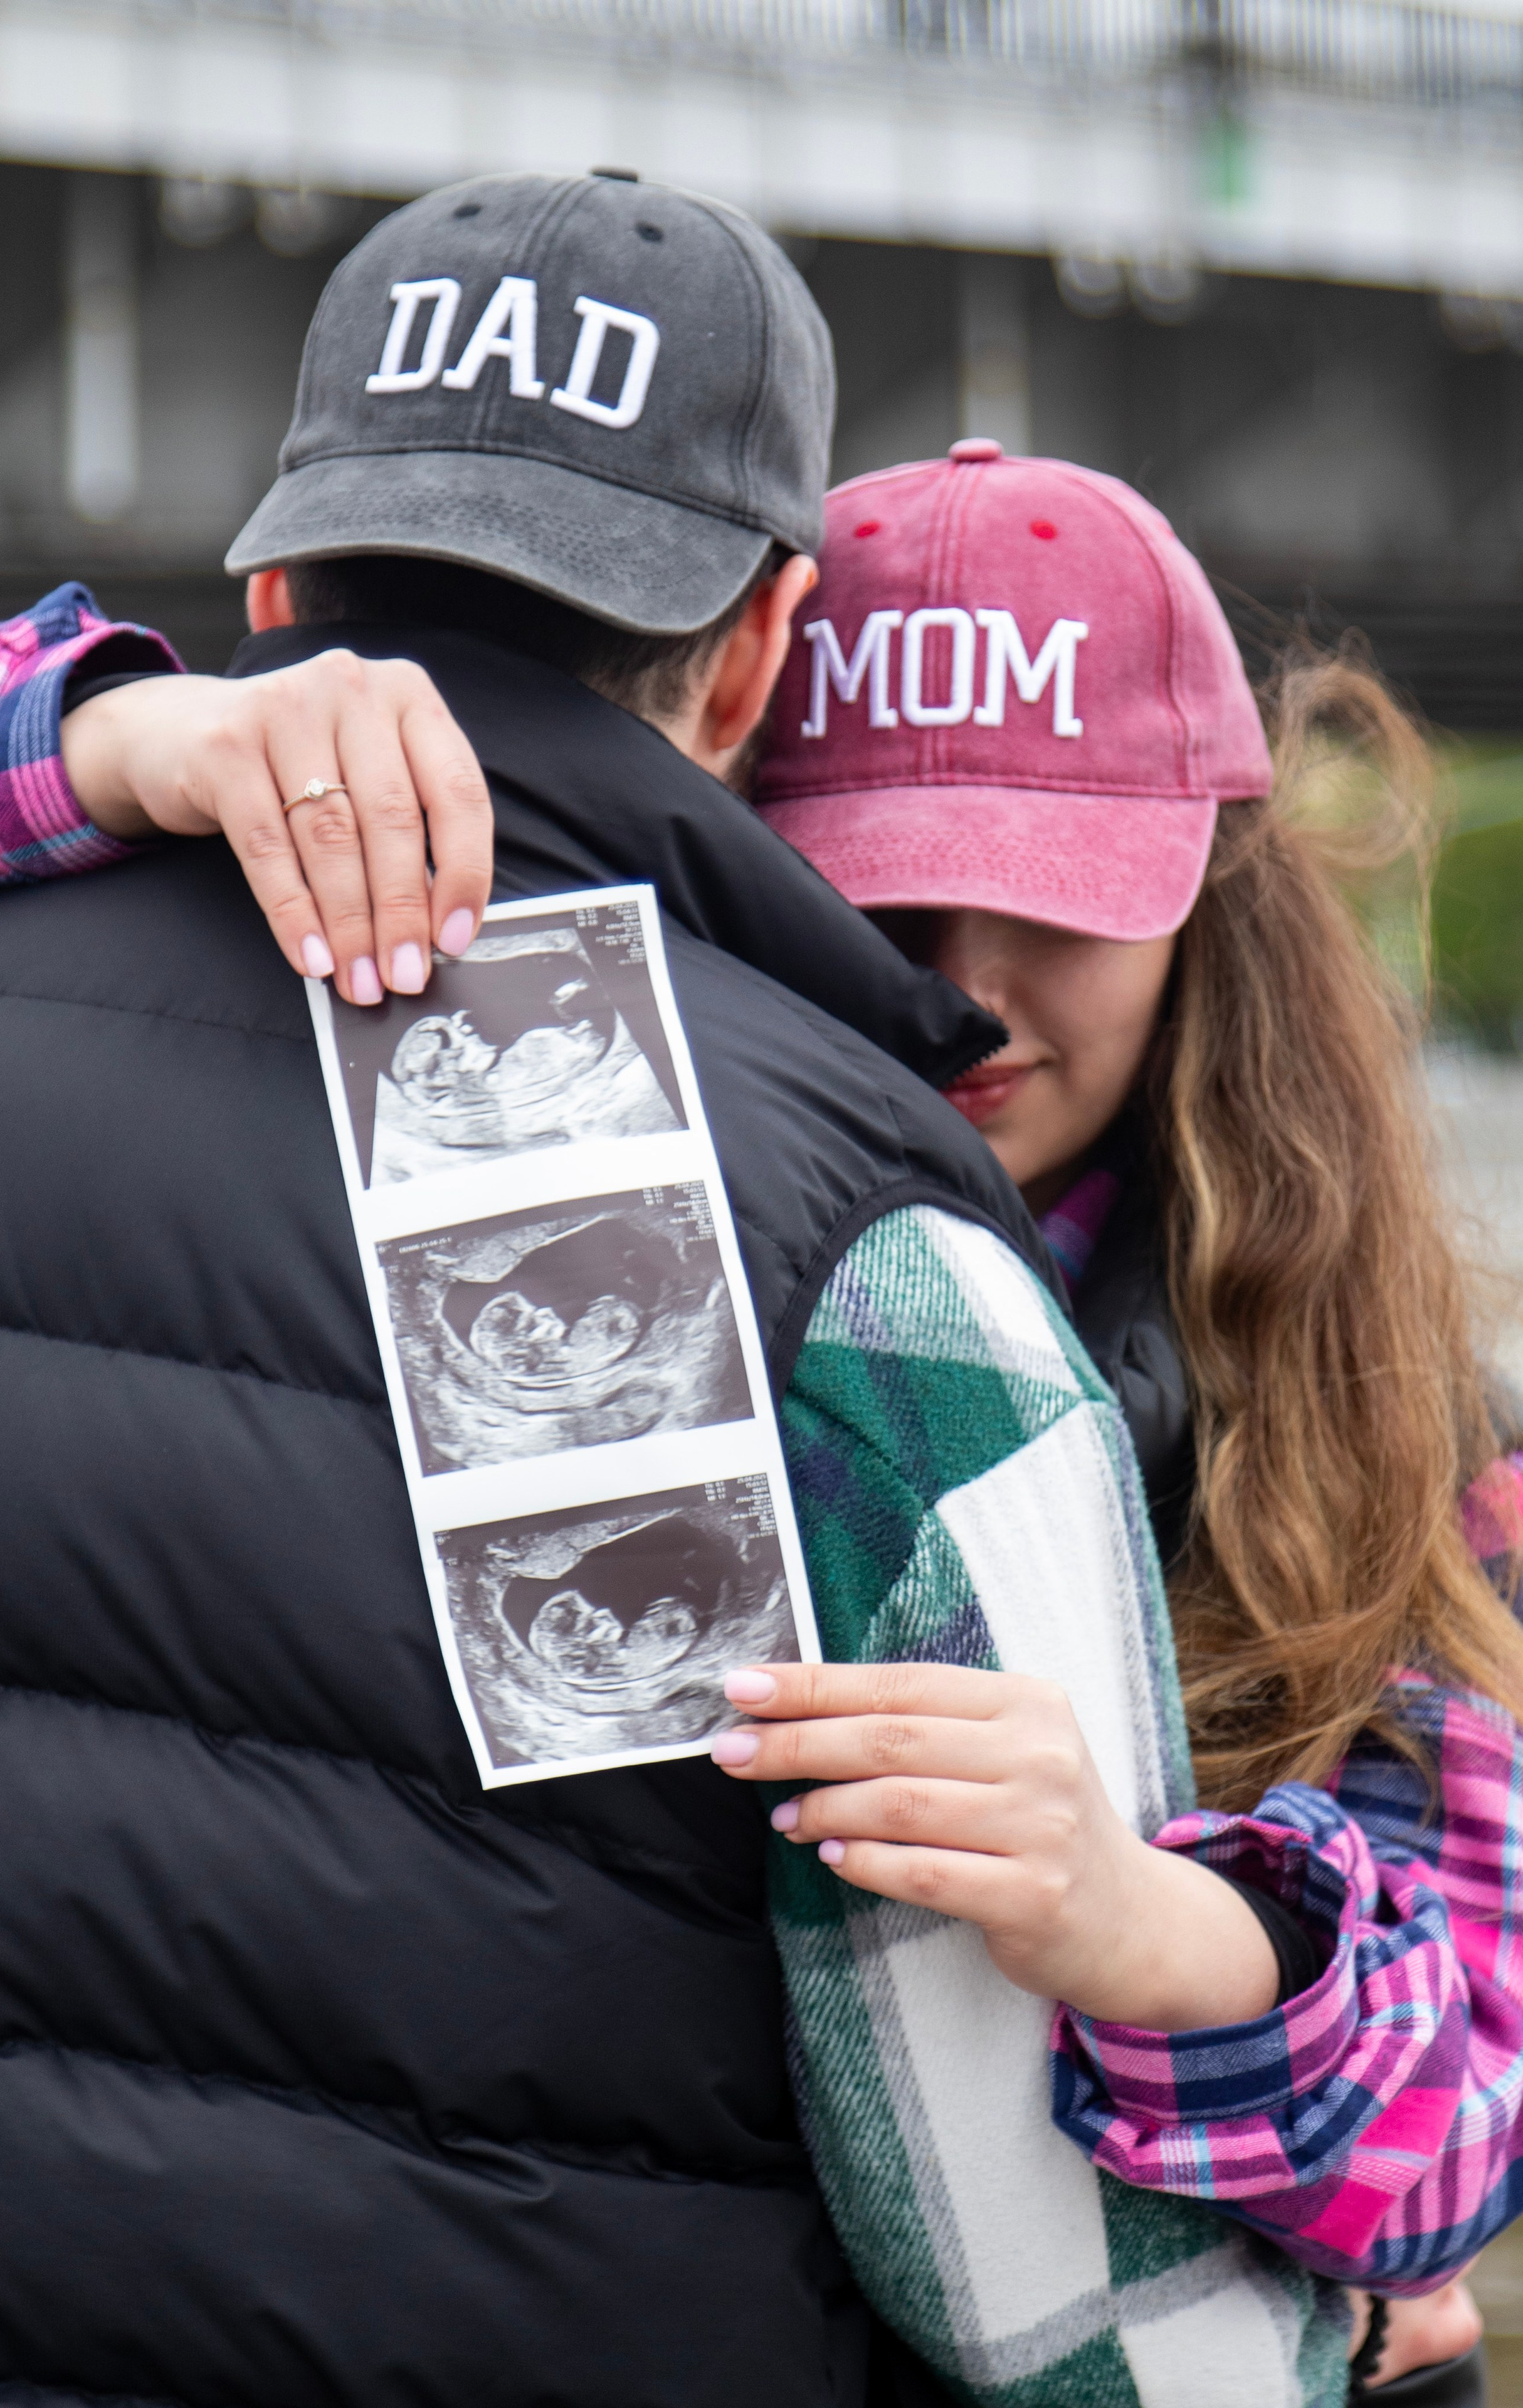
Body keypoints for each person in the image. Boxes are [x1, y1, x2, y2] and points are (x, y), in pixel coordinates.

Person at [0, 173, 1347, 2408]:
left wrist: (86, 736)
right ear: (767, 645)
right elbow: (1030, 2283)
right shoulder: (857, 1239)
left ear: (271, 579)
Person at [715, 441, 1523, 2400]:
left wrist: (1160, 1927)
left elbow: (1468, 2141)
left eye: (1055, 907)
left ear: (1209, 910)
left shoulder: (1407, 1426)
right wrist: (148, 732)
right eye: (878, 906)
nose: (967, 996)